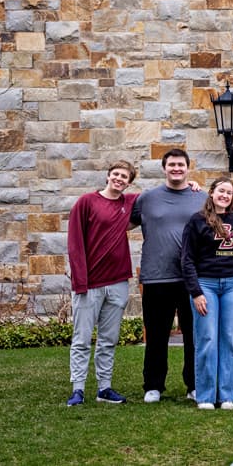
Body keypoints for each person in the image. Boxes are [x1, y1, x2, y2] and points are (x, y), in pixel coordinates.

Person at [131, 148, 206, 404]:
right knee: (156, 334)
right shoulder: (146, 199)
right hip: (156, 276)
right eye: (171, 164)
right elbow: (122, 218)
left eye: (180, 165)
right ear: (164, 168)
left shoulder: (201, 197)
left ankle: (194, 384)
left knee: (194, 335)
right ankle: (153, 385)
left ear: (188, 168)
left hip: (192, 279)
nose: (176, 168)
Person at [65, 160, 139, 406]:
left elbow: (160, 196)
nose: (119, 179)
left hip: (117, 282)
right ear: (107, 176)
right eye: (116, 174)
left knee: (108, 340)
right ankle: (78, 389)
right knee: (82, 339)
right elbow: (75, 243)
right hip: (91, 284)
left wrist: (191, 184)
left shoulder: (128, 204)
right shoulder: (87, 202)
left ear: (129, 182)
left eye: (125, 177)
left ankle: (104, 388)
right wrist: (80, 282)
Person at [181, 177, 233, 410]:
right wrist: (196, 292)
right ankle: (206, 395)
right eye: (221, 191)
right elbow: (186, 259)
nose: (225, 196)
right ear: (211, 193)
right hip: (205, 284)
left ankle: (226, 394)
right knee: (207, 338)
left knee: (230, 339)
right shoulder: (196, 221)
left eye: (229, 193)